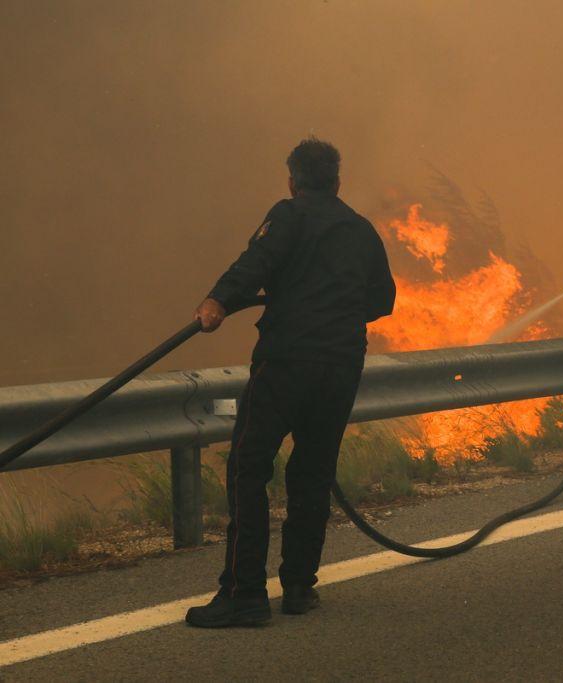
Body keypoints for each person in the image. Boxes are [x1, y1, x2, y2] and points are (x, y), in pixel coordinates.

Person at [185, 138, 396, 628]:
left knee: (247, 466)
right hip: (342, 364)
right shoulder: (361, 230)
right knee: (313, 471)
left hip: (287, 362)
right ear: (337, 183)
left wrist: (217, 301)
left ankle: (244, 594)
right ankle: (300, 587)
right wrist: (336, 310)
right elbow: (382, 300)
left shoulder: (288, 214)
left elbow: (255, 263)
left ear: (293, 181)